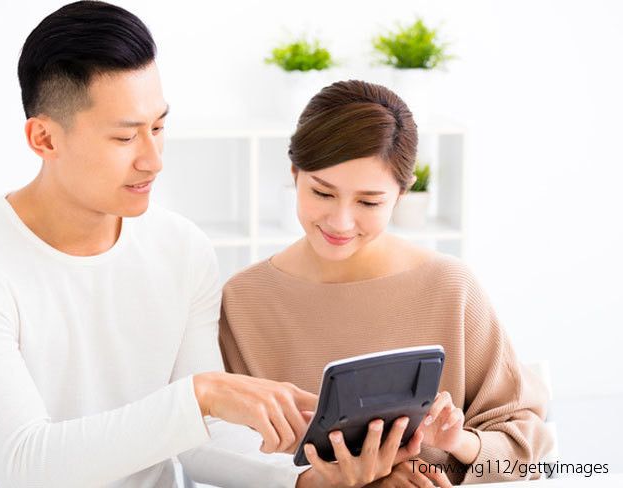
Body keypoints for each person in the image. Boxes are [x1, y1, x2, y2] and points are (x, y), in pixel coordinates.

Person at [0, 2, 340, 486]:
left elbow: (200, 442)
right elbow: (24, 465)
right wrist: (199, 397)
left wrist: (309, 480)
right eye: (125, 138)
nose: (153, 160)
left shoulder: (182, 249)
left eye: (158, 127)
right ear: (45, 139)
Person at [219, 80, 554, 486]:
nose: (341, 221)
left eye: (369, 202)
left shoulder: (450, 288)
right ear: (295, 174)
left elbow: (528, 451)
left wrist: (456, 443)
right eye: (322, 193)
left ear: (401, 194)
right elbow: (226, 455)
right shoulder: (243, 301)